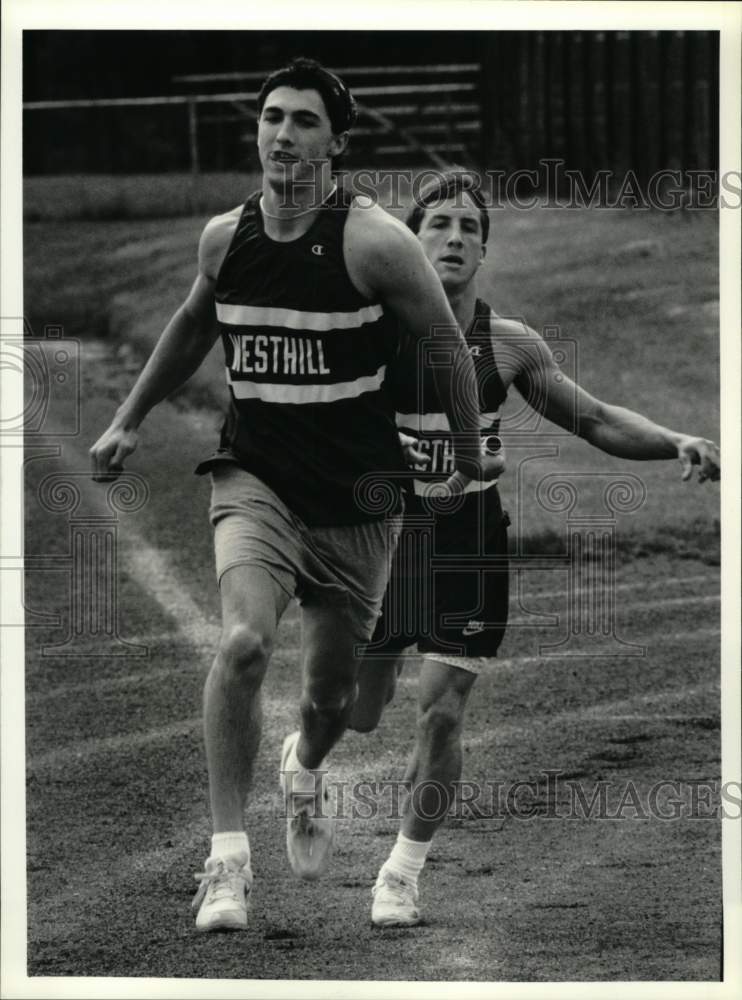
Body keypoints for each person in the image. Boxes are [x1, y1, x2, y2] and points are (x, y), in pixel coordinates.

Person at [90, 62, 501, 933]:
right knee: (241, 642)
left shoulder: (377, 243)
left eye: (304, 121)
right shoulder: (224, 239)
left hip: (357, 502)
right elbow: (194, 322)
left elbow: (449, 351)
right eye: (272, 118)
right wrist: (130, 417)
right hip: (257, 478)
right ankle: (227, 863)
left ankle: (301, 764)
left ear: (336, 143)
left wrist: (465, 455)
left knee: (337, 706)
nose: (282, 135)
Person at [349, 170, 721, 928]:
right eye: (438, 225)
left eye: (469, 228)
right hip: (380, 540)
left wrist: (673, 439)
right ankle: (305, 757)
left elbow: (595, 419)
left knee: (442, 712)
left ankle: (401, 873)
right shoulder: (367, 330)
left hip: (468, 543)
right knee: (357, 710)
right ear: (409, 241)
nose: (453, 238)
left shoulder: (508, 345)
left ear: (484, 249)